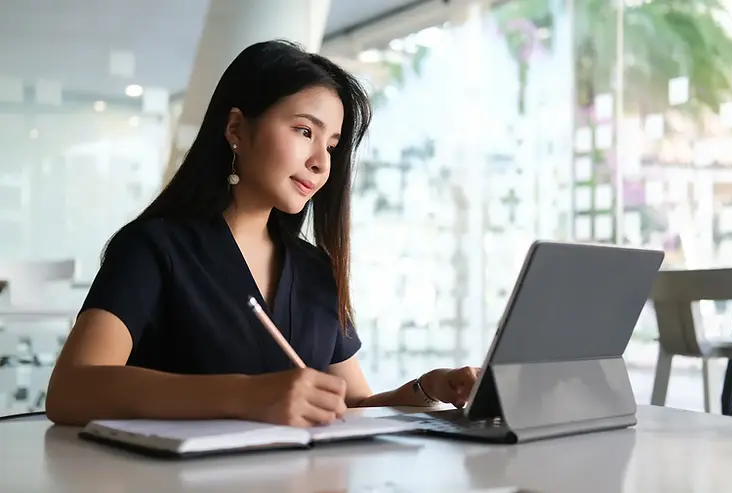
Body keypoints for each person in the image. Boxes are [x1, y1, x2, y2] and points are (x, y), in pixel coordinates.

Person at [46, 40, 480, 428]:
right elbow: (71, 390)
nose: (321, 162)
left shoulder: (315, 270)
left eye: (330, 145)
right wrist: (247, 395)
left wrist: (428, 390)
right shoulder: (154, 248)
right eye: (304, 131)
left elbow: (352, 406)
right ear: (236, 129)